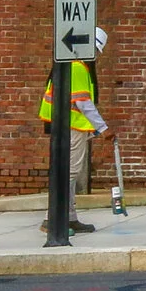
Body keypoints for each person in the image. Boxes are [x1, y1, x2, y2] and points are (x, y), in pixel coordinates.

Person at [38, 30, 108, 234]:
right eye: (95, 49)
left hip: (68, 125)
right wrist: (103, 128)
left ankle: (69, 217)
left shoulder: (71, 64)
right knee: (69, 173)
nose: (96, 54)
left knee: (69, 173)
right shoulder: (77, 68)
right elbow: (83, 103)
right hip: (72, 126)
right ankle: (52, 219)